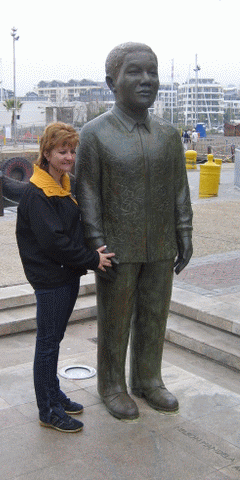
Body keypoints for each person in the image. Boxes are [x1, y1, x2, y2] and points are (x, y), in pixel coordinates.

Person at [76, 42, 193, 420]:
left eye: (152, 72)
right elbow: (87, 192)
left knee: (155, 315)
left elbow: (179, 187)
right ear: (112, 81)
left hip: (160, 243)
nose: (146, 80)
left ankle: (148, 379)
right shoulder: (94, 134)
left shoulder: (169, 135)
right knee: (115, 318)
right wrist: (96, 243)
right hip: (117, 247)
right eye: (135, 72)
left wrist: (184, 232)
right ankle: (111, 384)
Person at [16, 122, 115, 433]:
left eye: (73, 151)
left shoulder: (61, 186)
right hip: (52, 280)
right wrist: (92, 258)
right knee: (47, 344)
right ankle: (48, 409)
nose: (70, 157)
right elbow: (55, 242)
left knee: (52, 342)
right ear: (47, 153)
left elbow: (69, 231)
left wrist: (89, 247)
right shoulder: (39, 193)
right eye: (62, 151)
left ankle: (52, 393)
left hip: (64, 276)